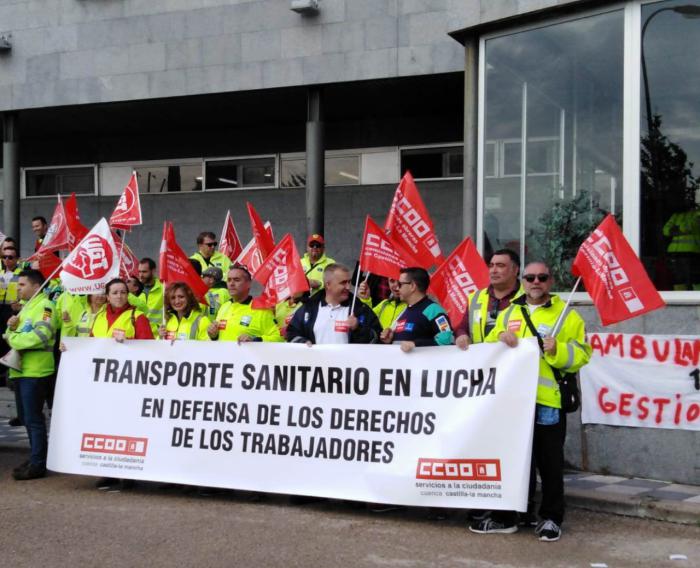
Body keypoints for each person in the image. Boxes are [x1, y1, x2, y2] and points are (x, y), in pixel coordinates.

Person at [469, 261, 591, 542]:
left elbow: (582, 355)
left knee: (549, 463)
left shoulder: (568, 315)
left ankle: (550, 518)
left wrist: (558, 349)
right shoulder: (511, 311)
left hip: (547, 402)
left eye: (542, 277)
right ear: (522, 280)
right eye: (530, 277)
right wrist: (499, 335)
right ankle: (508, 517)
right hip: (513, 402)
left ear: (550, 281)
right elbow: (488, 342)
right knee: (513, 461)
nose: (536, 281)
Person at [5, 269, 59, 480]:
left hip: (36, 370)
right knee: (27, 419)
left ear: (36, 287)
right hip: (21, 370)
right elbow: (9, 333)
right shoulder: (28, 308)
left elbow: (42, 335)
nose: (18, 288)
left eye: (22, 285)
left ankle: (38, 464)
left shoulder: (45, 307)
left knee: (34, 419)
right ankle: (35, 457)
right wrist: (12, 333)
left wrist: (14, 338)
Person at [286, 264, 381, 345]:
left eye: (349, 282)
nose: (348, 287)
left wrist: (358, 329)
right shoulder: (309, 308)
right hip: (317, 365)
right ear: (328, 284)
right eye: (343, 283)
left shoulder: (359, 309)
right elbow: (292, 332)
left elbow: (377, 339)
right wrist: (302, 343)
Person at [455, 248, 522, 350]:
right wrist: (461, 336)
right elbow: (462, 327)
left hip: (516, 361)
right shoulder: (475, 298)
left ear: (515, 270)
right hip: (484, 362)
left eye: (500, 266)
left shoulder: (529, 297)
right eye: (491, 266)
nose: (494, 270)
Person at [379, 267, 454, 351]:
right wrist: (391, 339)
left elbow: (447, 340)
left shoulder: (433, 310)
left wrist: (416, 344)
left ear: (412, 286)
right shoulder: (405, 310)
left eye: (400, 284)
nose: (397, 288)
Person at [207, 265, 283, 343]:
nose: (231, 284)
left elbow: (279, 337)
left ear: (249, 284)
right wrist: (214, 336)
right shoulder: (224, 307)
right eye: (229, 280)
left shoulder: (261, 310)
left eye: (237, 280)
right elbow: (220, 338)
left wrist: (255, 340)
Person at [135, 258, 164, 335]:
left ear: (153, 271)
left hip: (159, 337)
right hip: (141, 337)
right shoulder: (135, 290)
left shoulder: (163, 289)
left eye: (144, 272)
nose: (141, 275)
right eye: (139, 272)